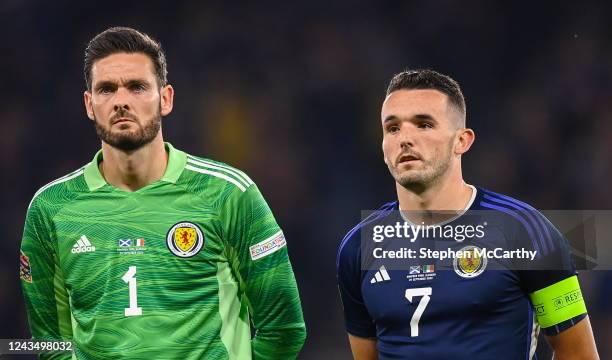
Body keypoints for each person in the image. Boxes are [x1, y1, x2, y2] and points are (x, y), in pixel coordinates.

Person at [19, 26, 306, 360]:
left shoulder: (229, 194)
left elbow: (284, 331)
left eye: (137, 87)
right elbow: (51, 345)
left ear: (165, 98)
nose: (121, 101)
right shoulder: (51, 208)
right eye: (106, 89)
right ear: (89, 104)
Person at [336, 69, 599, 359]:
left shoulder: (523, 231)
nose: (405, 138)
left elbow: (579, 354)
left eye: (424, 124)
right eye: (393, 128)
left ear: (462, 140)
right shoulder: (359, 246)